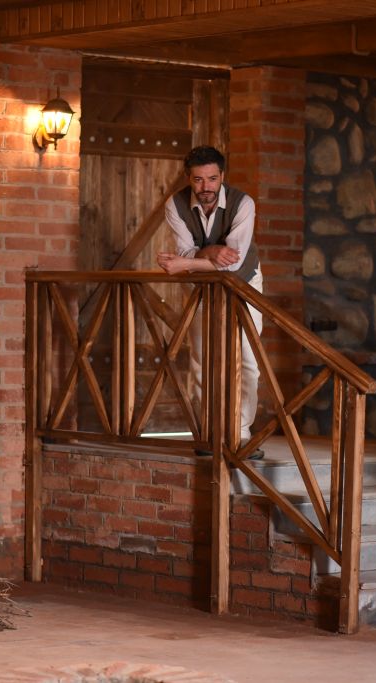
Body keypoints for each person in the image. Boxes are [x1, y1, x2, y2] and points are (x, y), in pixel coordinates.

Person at [156, 146, 264, 460]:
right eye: (198, 179)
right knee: (202, 360)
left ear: (222, 176)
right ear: (188, 178)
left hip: (245, 283)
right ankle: (209, 433)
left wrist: (185, 263)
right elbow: (186, 251)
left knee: (248, 361)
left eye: (212, 179)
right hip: (202, 287)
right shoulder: (175, 205)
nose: (206, 187)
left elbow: (233, 263)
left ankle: (241, 435)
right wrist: (210, 253)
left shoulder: (244, 204)